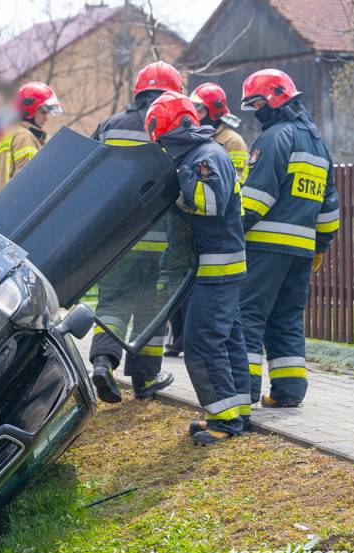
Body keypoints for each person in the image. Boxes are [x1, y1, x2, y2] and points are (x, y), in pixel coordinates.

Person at [145, 91, 249, 445]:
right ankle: (237, 411)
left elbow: (209, 204)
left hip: (216, 268)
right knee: (227, 339)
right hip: (213, 266)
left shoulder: (204, 157)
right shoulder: (202, 153)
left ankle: (223, 421)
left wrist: (177, 185)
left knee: (202, 344)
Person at [238, 69, 339, 409]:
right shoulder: (318, 144)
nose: (255, 111)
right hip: (302, 252)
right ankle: (289, 392)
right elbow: (329, 208)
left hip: (265, 249)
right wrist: (321, 246)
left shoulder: (274, 138)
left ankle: (245, 392)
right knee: (286, 318)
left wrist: (229, 230)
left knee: (248, 314)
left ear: (274, 99)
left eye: (256, 103)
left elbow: (256, 198)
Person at [89, 61, 182, 403]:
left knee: (112, 302)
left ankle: (103, 362)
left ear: (138, 92)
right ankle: (145, 380)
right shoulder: (173, 125)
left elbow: (87, 173)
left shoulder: (110, 125)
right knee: (151, 309)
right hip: (160, 242)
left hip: (115, 241)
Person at [165, 82, 250, 357]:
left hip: (223, 229)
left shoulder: (230, 143)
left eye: (200, 107)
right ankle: (178, 339)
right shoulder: (200, 144)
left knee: (216, 324)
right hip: (200, 233)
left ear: (214, 110)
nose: (195, 113)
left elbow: (226, 189)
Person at [0, 81, 62, 189]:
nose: (46, 118)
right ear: (30, 109)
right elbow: (30, 181)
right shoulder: (25, 137)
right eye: (43, 112)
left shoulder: (7, 135)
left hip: (7, 203)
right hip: (22, 204)